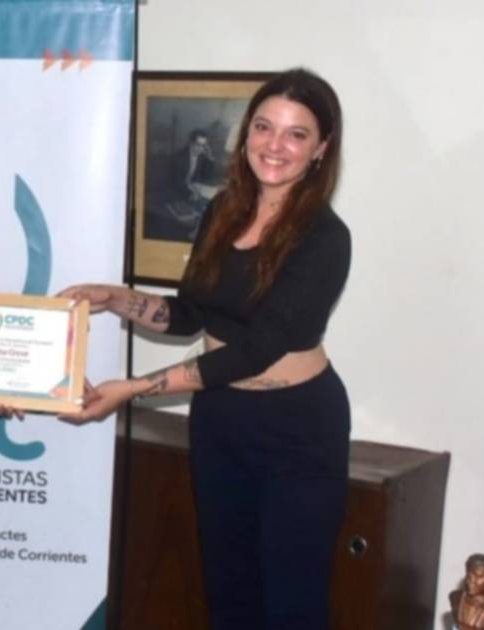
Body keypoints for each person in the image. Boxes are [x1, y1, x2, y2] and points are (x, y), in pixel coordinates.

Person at [60, 68, 350, 629]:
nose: (274, 145)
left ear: (321, 148)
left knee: (292, 606)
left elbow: (255, 350)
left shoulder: (325, 238)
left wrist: (134, 389)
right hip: (221, 420)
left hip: (297, 431)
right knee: (229, 594)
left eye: (296, 134)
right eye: (264, 126)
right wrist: (116, 298)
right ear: (246, 133)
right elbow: (191, 314)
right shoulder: (223, 210)